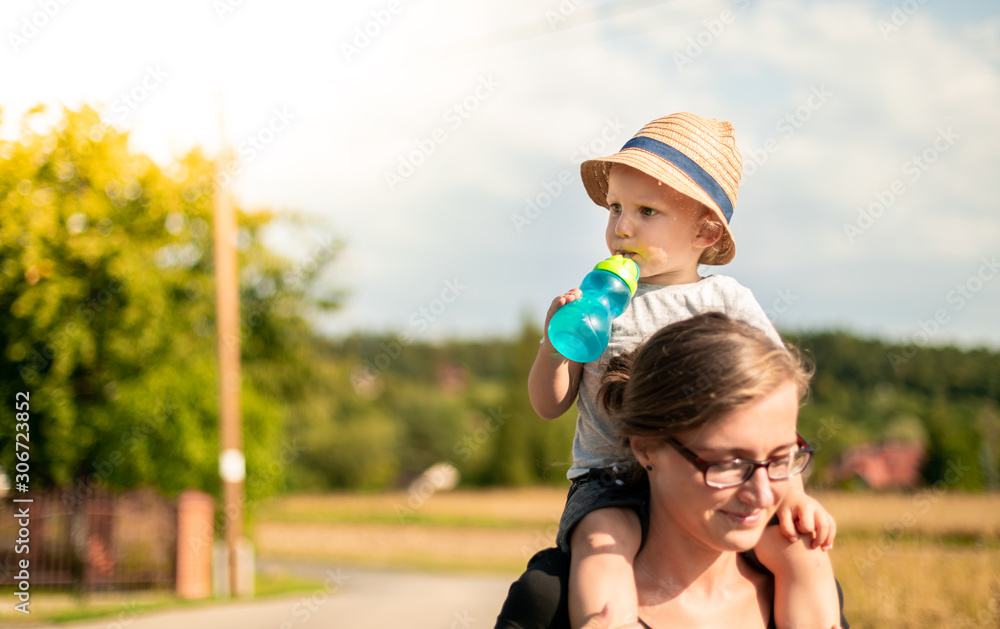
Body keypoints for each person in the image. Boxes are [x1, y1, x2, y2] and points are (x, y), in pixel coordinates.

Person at [526, 113, 836, 628]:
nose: (622, 227)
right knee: (604, 546)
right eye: (615, 208)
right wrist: (554, 350)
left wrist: (792, 492)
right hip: (612, 478)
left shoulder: (727, 299)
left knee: (799, 550)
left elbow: (772, 398)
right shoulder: (597, 305)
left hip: (724, 479)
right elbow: (549, 404)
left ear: (705, 230)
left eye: (647, 211)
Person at [499, 313, 847, 628]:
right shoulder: (551, 600)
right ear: (647, 446)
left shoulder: (810, 596)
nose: (763, 494)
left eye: (781, 458)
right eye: (728, 463)